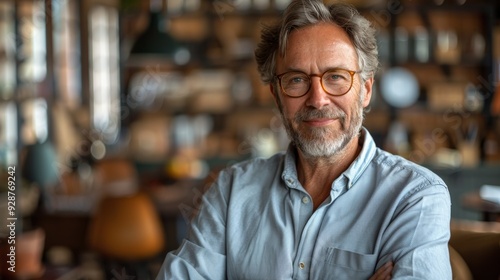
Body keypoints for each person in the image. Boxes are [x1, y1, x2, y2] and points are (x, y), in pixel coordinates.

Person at [156, 1, 452, 279]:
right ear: (277, 95)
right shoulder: (231, 191)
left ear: (365, 90)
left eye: (336, 76)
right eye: (297, 79)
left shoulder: (415, 197)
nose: (318, 99)